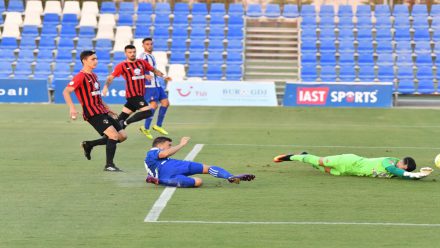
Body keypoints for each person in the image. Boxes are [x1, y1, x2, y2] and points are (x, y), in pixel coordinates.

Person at [63, 50, 127, 172]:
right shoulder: (80, 76)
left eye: (96, 59)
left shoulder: (94, 76)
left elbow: (97, 95)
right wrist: (72, 108)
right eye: (93, 59)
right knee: (113, 135)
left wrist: (108, 109)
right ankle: (109, 165)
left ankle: (89, 144)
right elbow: (66, 91)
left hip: (102, 110)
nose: (96, 61)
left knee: (122, 136)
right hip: (92, 113)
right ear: (84, 61)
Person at [144, 136, 256, 187]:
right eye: (169, 145)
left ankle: (230, 177)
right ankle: (229, 176)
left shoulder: (151, 158)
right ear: (160, 144)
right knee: (207, 170)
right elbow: (164, 153)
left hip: (171, 169)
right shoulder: (152, 152)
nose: (170, 147)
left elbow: (165, 155)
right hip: (171, 167)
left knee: (198, 181)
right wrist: (181, 144)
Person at [102, 44, 166, 130]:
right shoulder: (122, 65)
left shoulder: (142, 62)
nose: (132, 54)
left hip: (140, 94)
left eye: (134, 52)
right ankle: (125, 124)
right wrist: (106, 87)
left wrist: (164, 76)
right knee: (147, 112)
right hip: (133, 95)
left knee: (122, 117)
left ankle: (107, 132)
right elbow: (110, 77)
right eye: (130, 52)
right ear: (125, 53)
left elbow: (153, 70)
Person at [273, 152, 433, 179]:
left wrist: (421, 174)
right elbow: (393, 169)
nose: (399, 161)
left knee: (322, 169)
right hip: (349, 161)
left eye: (402, 162)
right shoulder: (390, 161)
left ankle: (305, 155)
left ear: (405, 166)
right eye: (401, 161)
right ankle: (289, 157)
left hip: (347, 171)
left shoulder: (399, 172)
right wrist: (414, 174)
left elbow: (402, 175)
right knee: (319, 161)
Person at [138, 37, 172, 139]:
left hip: (157, 84)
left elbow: (154, 70)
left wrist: (164, 76)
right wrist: (144, 76)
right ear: (143, 46)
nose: (149, 46)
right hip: (149, 85)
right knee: (153, 106)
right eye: (147, 44)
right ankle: (146, 127)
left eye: (151, 44)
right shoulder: (143, 57)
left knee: (166, 103)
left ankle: (158, 125)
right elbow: (136, 70)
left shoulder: (151, 56)